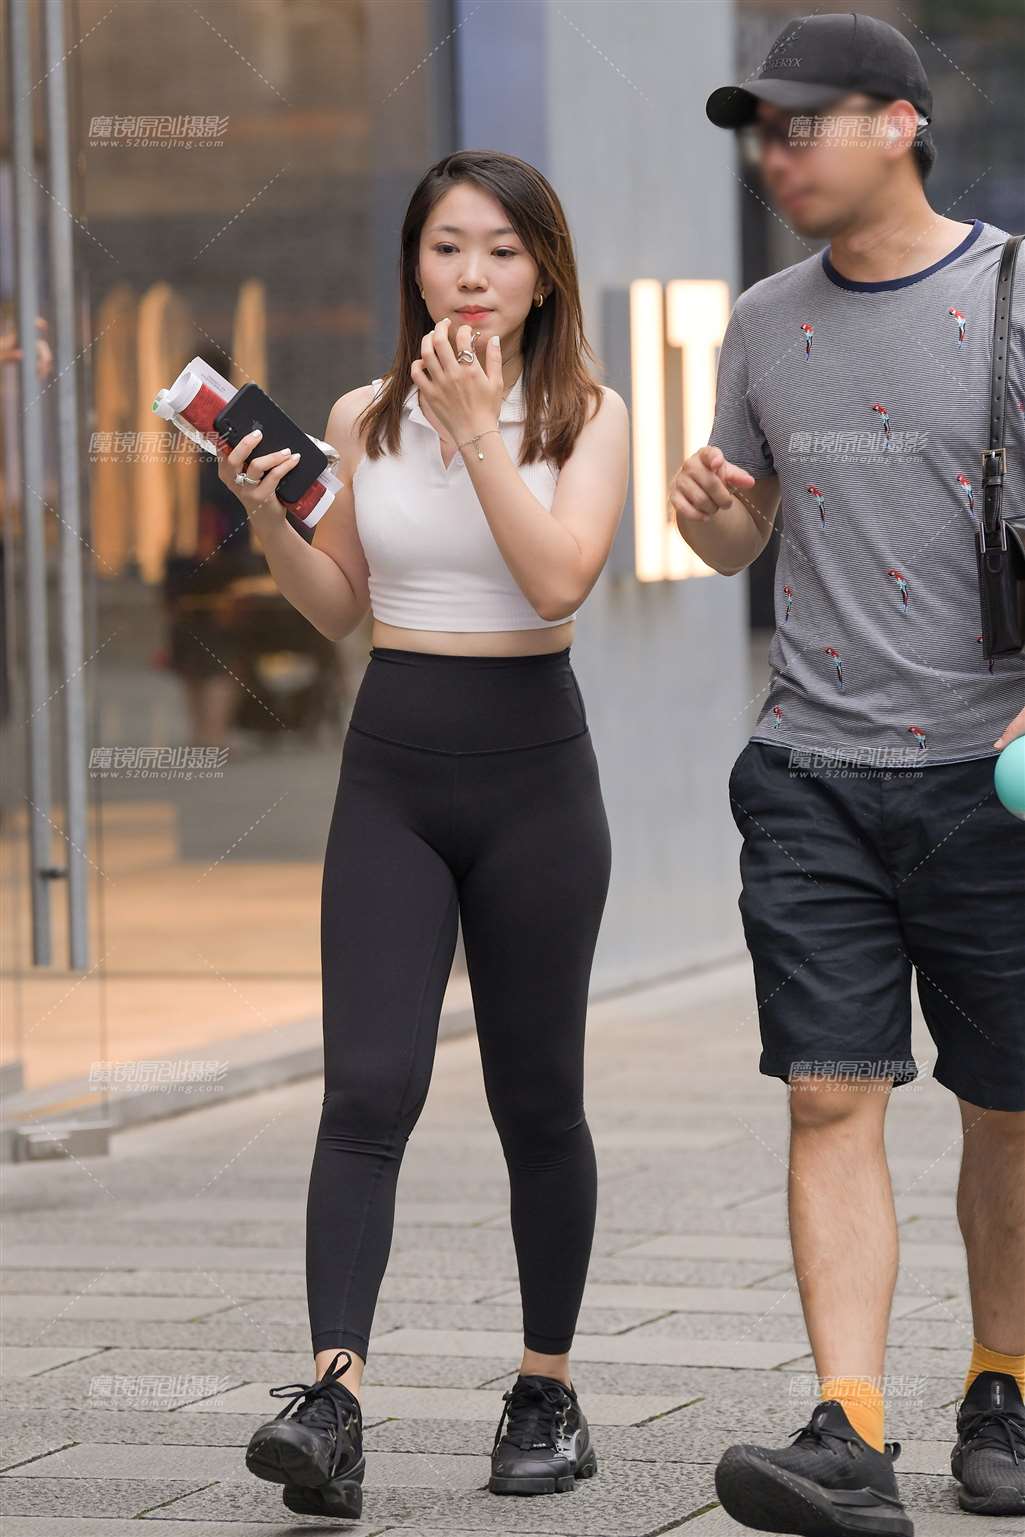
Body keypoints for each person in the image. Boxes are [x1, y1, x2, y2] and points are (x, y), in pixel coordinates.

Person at [226, 150, 628, 1521]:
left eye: (503, 250)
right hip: (393, 766)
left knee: (538, 1098)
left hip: (536, 775)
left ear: (544, 275)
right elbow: (340, 604)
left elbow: (558, 579)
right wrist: (266, 515)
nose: (472, 274)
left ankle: (545, 1389)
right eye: (448, 246)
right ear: (415, 262)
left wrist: (478, 433)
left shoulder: (589, 414)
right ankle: (331, 1400)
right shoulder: (361, 414)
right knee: (366, 1088)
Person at [672, 13, 1025, 1536]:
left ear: (899, 123)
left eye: (802, 122)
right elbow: (744, 536)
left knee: (1007, 1107)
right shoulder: (763, 320)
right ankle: (850, 1427)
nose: (775, 153)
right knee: (829, 1094)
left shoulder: (1013, 296)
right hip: (810, 767)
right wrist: (715, 522)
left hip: (990, 777)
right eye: (762, 129)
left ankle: (1003, 1385)